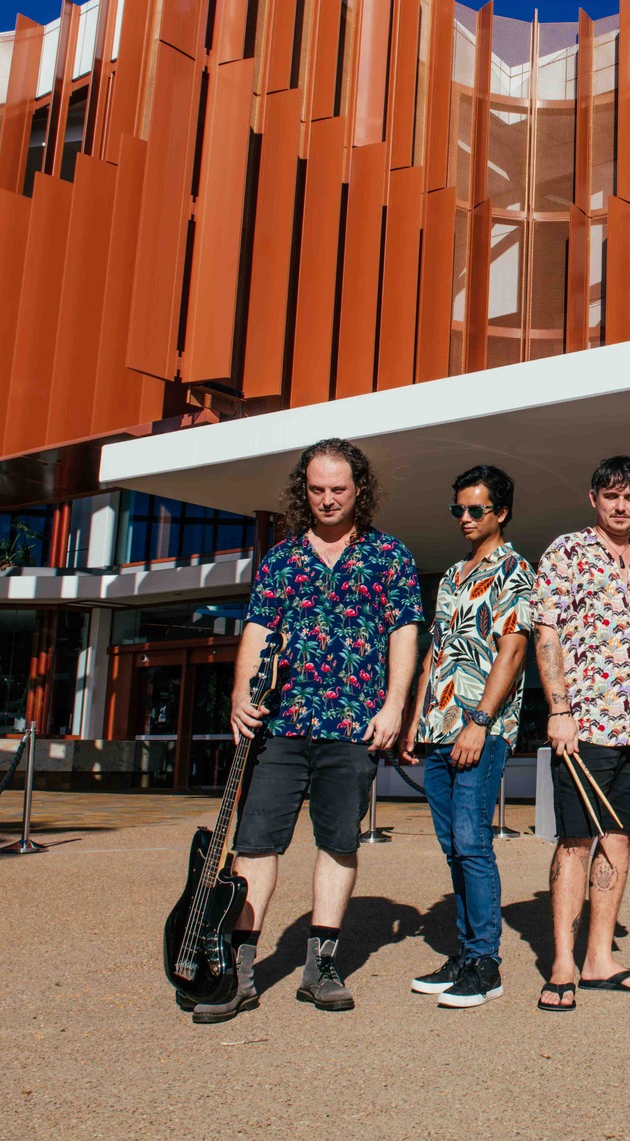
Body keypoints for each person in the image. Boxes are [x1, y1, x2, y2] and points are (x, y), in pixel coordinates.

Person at [189, 438, 424, 1024]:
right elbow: (259, 633)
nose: (326, 499)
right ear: (304, 490)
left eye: (337, 489)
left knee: (338, 842)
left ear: (359, 490)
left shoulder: (388, 556)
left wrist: (394, 705)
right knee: (255, 844)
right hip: (281, 724)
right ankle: (241, 967)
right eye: (316, 489)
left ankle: (322, 963)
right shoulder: (282, 560)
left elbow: (403, 634)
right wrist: (241, 695)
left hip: (353, 723)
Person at [531, 455, 630, 1012]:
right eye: (611, 496)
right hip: (584, 724)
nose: (621, 506)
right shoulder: (567, 552)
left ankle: (599, 959)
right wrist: (559, 708)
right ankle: (563, 963)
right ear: (594, 498)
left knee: (618, 839)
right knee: (575, 838)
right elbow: (546, 634)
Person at [399, 465, 534, 1009]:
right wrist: (413, 721)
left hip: (481, 729)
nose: (465, 518)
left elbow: (513, 649)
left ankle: (485, 963)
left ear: (500, 512)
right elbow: (436, 652)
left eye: (476, 510)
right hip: (437, 728)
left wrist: (479, 722)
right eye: (458, 509)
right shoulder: (453, 576)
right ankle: (464, 951)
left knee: (473, 844)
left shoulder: (515, 570)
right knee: (454, 847)